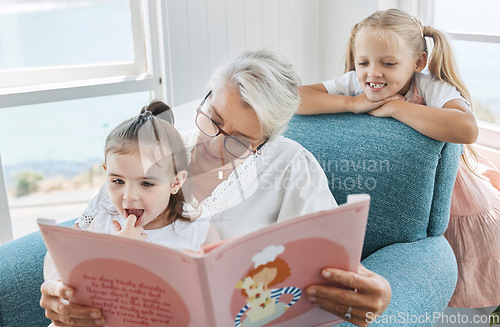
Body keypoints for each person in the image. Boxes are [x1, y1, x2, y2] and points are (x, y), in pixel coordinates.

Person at [40, 49, 391, 327]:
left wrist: (376, 290)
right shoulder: (156, 139)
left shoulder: (293, 166)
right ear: (207, 97)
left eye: (239, 141)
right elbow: (83, 233)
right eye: (214, 119)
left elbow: (330, 261)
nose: (213, 145)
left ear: (267, 140)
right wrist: (59, 289)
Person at [298, 8, 499, 312]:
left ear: (418, 62)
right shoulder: (355, 84)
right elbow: (294, 97)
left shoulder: (430, 86)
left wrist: (395, 109)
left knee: (469, 255)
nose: (373, 73)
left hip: (447, 190)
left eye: (388, 63)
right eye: (363, 62)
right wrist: (352, 103)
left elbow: (467, 128)